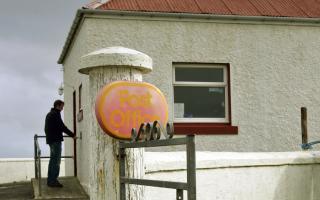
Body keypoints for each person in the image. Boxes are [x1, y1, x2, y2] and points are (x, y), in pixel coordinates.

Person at [44, 100, 75, 187]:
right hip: (55, 141)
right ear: (57, 106)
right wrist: (72, 135)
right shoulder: (55, 114)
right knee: (56, 161)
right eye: (62, 106)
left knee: (52, 160)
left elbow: (46, 129)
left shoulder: (50, 114)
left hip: (51, 141)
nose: (62, 108)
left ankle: (50, 180)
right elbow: (62, 127)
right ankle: (53, 181)